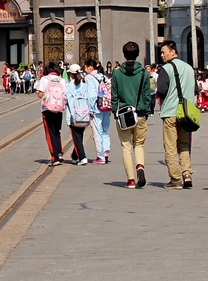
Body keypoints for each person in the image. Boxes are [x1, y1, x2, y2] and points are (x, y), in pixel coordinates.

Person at [111, 42, 154, 188]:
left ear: (124, 55)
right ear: (137, 55)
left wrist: (114, 110)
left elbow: (114, 95)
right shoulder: (143, 73)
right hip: (140, 113)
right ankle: (140, 166)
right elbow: (147, 95)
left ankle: (130, 180)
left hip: (123, 114)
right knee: (139, 144)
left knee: (126, 146)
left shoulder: (117, 73)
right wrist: (147, 110)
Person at [155, 39, 196, 189]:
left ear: (173, 52)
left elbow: (162, 90)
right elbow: (195, 89)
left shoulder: (166, 69)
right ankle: (187, 173)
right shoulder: (189, 69)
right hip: (186, 113)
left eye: (163, 52)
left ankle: (175, 178)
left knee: (170, 147)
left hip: (171, 112)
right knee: (184, 144)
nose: (162, 55)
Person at [64, 64, 96, 165]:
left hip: (73, 115)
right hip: (84, 114)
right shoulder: (85, 85)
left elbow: (65, 101)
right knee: (79, 135)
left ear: (71, 74)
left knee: (76, 136)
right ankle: (75, 155)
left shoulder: (68, 86)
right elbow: (90, 98)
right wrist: (91, 111)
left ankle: (83, 157)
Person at [36, 62, 66, 166]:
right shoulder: (62, 80)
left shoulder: (44, 79)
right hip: (59, 109)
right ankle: (59, 152)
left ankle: (55, 157)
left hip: (47, 109)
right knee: (57, 132)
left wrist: (40, 93)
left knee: (50, 133)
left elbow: (40, 94)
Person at [84, 59, 111, 165]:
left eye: (85, 67)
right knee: (104, 131)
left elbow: (91, 95)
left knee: (97, 132)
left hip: (96, 108)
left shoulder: (89, 77)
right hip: (106, 106)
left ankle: (100, 157)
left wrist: (90, 110)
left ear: (90, 67)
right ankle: (105, 152)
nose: (85, 69)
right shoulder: (103, 76)